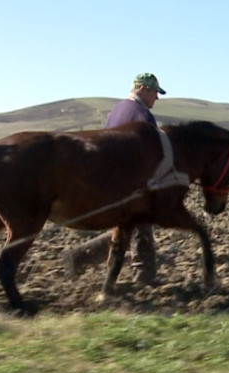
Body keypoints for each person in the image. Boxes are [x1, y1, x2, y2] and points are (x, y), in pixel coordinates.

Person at [63, 72, 166, 286]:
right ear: (143, 89)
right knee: (140, 222)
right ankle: (144, 275)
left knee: (127, 227)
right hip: (130, 182)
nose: (157, 97)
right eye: (155, 92)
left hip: (110, 181)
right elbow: (151, 152)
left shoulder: (116, 111)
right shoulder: (142, 116)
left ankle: (80, 256)